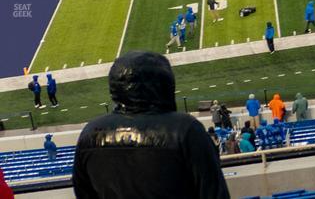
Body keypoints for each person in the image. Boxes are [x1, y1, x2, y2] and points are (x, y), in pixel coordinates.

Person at [72, 51, 230, 199]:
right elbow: (214, 192)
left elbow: (83, 191)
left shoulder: (90, 133)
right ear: (165, 84)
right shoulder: (185, 130)